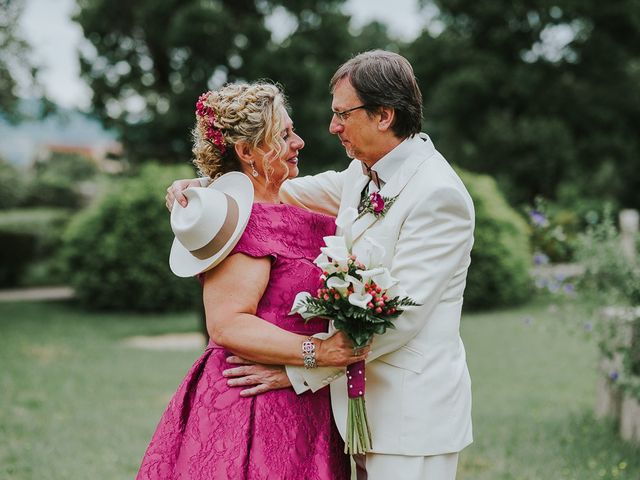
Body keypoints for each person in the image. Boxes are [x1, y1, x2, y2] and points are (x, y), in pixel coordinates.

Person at [167, 50, 475, 480]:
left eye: (342, 114)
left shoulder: (437, 194)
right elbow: (275, 190)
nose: (331, 127)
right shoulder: (360, 176)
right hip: (356, 414)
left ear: (384, 115)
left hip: (411, 418)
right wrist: (200, 191)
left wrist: (298, 369)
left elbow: (400, 317)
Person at [138, 81, 368, 480]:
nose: (298, 142)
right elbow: (228, 323)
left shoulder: (297, 205)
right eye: (283, 135)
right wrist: (320, 352)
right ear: (247, 152)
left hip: (302, 398)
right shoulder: (241, 223)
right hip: (253, 406)